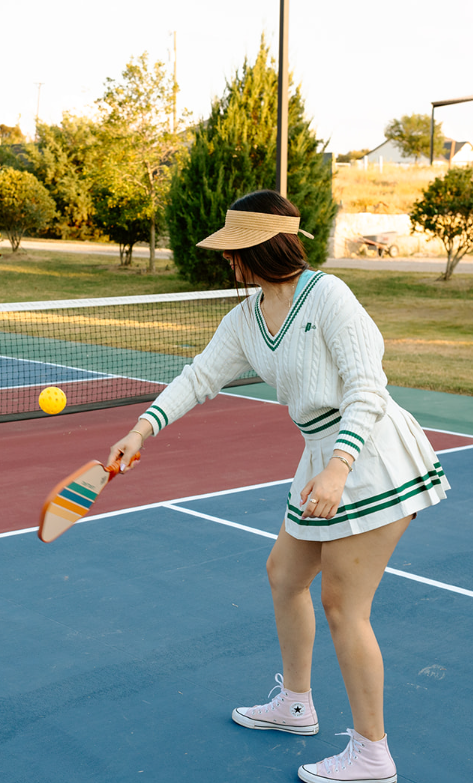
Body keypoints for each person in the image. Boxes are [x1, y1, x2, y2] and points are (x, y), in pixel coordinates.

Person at [108, 191, 447, 783]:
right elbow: (200, 376)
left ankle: (372, 753)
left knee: (344, 606)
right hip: (322, 455)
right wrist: (142, 429)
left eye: (231, 250)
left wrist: (339, 468)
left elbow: (367, 388)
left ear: (251, 251)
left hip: (370, 453)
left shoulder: (329, 296)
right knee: (285, 576)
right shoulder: (246, 318)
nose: (225, 260)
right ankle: (295, 704)